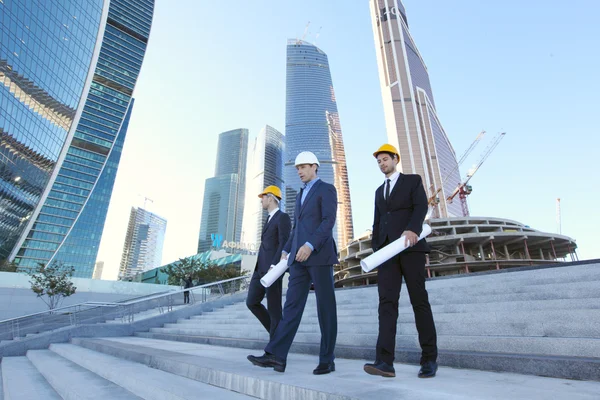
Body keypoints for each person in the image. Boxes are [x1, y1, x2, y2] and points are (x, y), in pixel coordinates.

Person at [247, 151, 338, 375]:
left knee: (325, 308)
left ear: (315, 167)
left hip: (319, 256)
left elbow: (328, 221)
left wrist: (310, 245)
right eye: (297, 168)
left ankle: (327, 360)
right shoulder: (299, 196)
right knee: (290, 309)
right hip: (297, 260)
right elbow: (297, 229)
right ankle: (277, 356)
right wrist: (287, 249)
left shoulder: (326, 189)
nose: (300, 171)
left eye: (304, 167)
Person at [363, 144, 438, 379]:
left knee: (419, 301)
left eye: (385, 159)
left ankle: (429, 360)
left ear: (395, 159)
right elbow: (377, 221)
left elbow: (421, 206)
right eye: (379, 161)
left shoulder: (412, 181)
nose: (382, 164)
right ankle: (384, 361)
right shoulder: (378, 191)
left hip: (410, 247)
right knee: (386, 304)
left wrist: (412, 229)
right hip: (387, 253)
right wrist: (377, 247)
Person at [246, 185, 291, 339]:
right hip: (259, 270)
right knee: (251, 302)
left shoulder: (282, 217)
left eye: (263, 197)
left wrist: (274, 265)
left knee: (274, 309)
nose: (261, 201)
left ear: (271, 198)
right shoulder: (268, 219)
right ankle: (276, 336)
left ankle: (276, 345)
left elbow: (284, 242)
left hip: (272, 269)